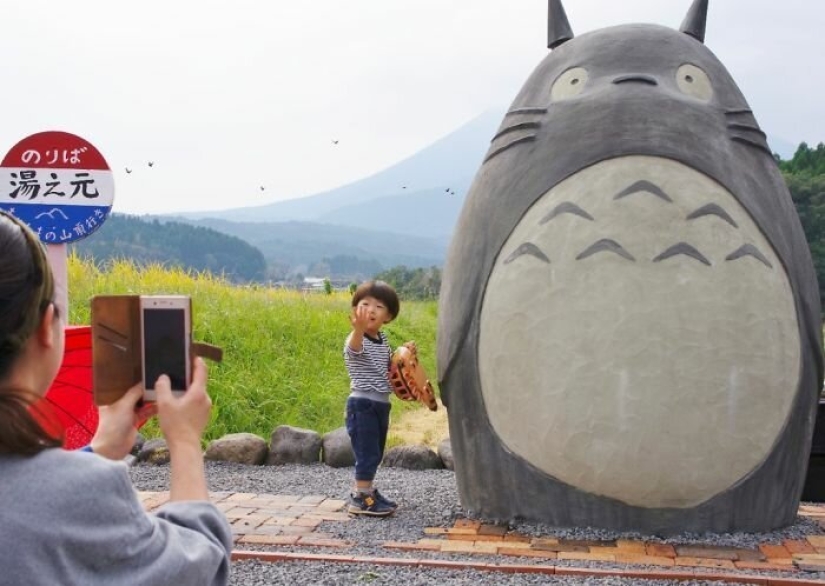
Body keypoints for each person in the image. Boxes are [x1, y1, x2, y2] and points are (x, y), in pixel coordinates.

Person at [0, 210, 232, 585]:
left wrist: (100, 449)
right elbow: (199, 569)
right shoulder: (81, 491)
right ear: (46, 327)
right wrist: (186, 440)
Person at [343, 280, 400, 517]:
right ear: (355, 310)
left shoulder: (382, 341)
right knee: (366, 453)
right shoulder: (356, 338)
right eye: (365, 304)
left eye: (378, 306)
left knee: (375, 453)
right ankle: (361, 498)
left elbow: (392, 370)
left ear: (388, 316)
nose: (371, 310)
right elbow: (354, 348)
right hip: (362, 405)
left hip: (380, 404)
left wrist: (406, 358)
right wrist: (358, 329)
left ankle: (368, 491)